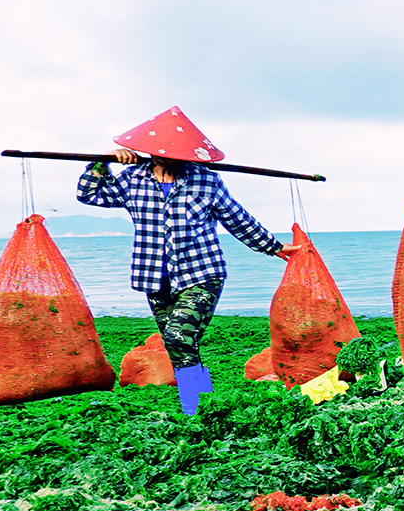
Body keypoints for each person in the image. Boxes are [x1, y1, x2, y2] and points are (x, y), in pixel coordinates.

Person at [76, 107, 290, 415]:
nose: (178, 161)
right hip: (154, 278)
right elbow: (89, 195)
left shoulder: (206, 182)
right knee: (181, 347)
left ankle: (193, 407)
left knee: (178, 337)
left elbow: (237, 220)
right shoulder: (132, 179)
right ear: (153, 154)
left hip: (201, 273)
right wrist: (102, 162)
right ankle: (204, 402)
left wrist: (273, 247)